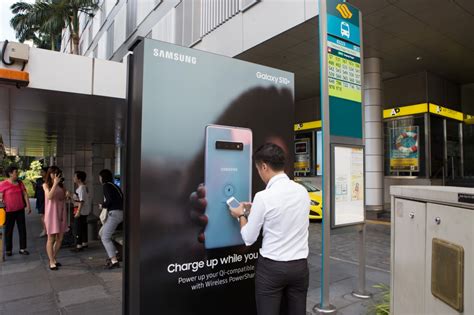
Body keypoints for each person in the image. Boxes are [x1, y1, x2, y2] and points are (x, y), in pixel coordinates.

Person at [229, 143, 310, 315]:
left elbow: (248, 238)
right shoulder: (302, 191)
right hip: (300, 267)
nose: (259, 173)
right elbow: (286, 215)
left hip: (272, 269)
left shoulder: (263, 197)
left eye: (258, 169)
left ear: (264, 166)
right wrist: (257, 210)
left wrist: (241, 214)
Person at [0, 165, 32, 256]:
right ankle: (8, 250)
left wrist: (28, 206)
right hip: (9, 211)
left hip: (20, 210)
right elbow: (0, 196)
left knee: (22, 229)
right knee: (9, 230)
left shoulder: (20, 183)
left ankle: (22, 249)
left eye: (17, 172)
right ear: (10, 173)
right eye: (15, 172)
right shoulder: (3, 184)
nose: (17, 174)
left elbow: (25, 194)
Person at [43, 166, 68, 270]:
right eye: (53, 173)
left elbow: (62, 198)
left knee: (60, 238)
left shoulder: (62, 186)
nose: (55, 175)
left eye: (57, 173)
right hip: (51, 214)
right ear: (50, 174)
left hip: (61, 213)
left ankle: (53, 257)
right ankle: (51, 261)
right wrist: (55, 183)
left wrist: (67, 195)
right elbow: (49, 196)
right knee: (51, 238)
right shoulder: (46, 185)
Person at [99, 169, 123, 269]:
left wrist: (102, 205)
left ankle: (114, 260)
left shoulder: (106, 186)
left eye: (99, 177)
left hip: (114, 214)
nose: (99, 179)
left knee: (105, 237)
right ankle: (116, 253)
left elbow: (109, 200)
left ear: (102, 177)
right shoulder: (114, 185)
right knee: (101, 233)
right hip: (119, 213)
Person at [70, 171, 90, 252]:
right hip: (83, 210)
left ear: (79, 179)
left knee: (78, 228)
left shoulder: (81, 188)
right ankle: (84, 243)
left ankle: (79, 245)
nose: (73, 178)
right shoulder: (83, 187)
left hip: (80, 211)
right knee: (83, 227)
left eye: (75, 177)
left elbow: (81, 201)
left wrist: (78, 211)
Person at [35, 167, 48, 237]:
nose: (41, 173)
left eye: (42, 172)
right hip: (40, 199)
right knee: (42, 215)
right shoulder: (38, 180)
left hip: (46, 199)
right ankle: (45, 229)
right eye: (41, 172)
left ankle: (46, 230)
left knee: (44, 215)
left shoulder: (49, 181)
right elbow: (36, 189)